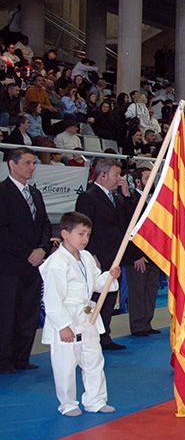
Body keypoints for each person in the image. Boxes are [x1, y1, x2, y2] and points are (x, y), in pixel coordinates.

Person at [40, 211, 121, 417]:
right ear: (65, 234)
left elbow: (97, 283)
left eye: (87, 235)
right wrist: (63, 325)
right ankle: (68, 404)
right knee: (65, 365)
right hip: (67, 317)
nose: (85, 239)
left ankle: (95, 400)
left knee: (94, 359)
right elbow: (52, 299)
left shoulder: (85, 257)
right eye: (81, 234)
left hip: (88, 317)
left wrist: (110, 276)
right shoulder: (56, 263)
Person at [0, 148, 52, 373]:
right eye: (28, 163)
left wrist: (42, 248)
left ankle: (22, 357)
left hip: (34, 265)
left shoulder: (35, 194)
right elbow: (2, 230)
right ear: (12, 164)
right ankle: (4, 360)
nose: (32, 167)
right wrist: (27, 253)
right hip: (10, 265)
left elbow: (45, 225)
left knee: (28, 312)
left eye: (34, 163)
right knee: (7, 313)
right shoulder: (2, 192)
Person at [74, 158, 132, 351]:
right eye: (116, 175)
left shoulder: (116, 197)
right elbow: (84, 227)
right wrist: (91, 255)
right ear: (103, 174)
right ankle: (89, 335)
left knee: (109, 297)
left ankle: (104, 335)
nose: (119, 178)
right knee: (95, 298)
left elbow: (126, 223)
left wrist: (125, 196)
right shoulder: (88, 197)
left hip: (115, 254)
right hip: (98, 256)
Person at [125, 167, 162, 337]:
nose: (152, 180)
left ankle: (147, 322)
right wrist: (135, 255)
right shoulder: (132, 200)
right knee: (138, 291)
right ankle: (138, 324)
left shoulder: (152, 200)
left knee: (150, 289)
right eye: (148, 177)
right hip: (138, 254)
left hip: (153, 253)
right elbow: (130, 229)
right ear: (138, 181)